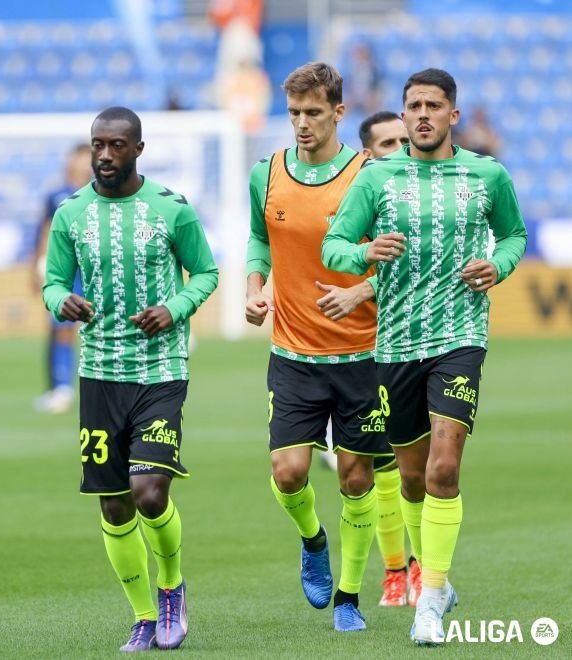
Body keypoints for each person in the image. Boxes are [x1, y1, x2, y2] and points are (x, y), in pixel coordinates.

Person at [322, 68, 527, 645]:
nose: (423, 115)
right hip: (395, 347)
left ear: (453, 115)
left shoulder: (486, 174)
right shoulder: (378, 178)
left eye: (434, 105)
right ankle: (430, 576)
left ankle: (429, 598)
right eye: (414, 105)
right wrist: (363, 249)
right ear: (404, 113)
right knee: (412, 479)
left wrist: (500, 265)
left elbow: (514, 235)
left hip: (460, 338)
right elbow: (333, 246)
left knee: (443, 466)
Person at [42, 106, 218, 652]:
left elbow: (207, 272)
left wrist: (176, 307)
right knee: (114, 503)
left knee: (148, 491)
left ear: (137, 149)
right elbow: (49, 282)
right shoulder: (71, 214)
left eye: (116, 145)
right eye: (98, 144)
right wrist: (60, 301)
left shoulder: (170, 210)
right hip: (98, 373)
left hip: (159, 370)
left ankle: (171, 590)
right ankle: (143, 616)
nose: (104, 155)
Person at [244, 62, 391, 632]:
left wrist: (360, 291)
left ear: (338, 112)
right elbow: (260, 237)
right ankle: (312, 539)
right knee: (287, 472)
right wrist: (255, 288)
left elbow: (401, 261)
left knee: (356, 479)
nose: (302, 124)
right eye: (294, 114)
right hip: (294, 354)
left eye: (312, 113)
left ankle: (349, 597)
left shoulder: (369, 177)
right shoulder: (267, 174)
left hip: (363, 355)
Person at [357, 110, 419, 608]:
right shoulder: (358, 204)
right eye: (387, 143)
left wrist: (362, 288)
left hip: (406, 346)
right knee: (377, 468)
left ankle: (414, 566)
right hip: (353, 352)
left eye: (404, 141)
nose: (399, 150)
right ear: (367, 155)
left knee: (409, 466)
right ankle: (395, 571)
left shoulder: (423, 203)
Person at [31, 143, 91, 414]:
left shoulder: (99, 193)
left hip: (94, 270)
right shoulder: (56, 195)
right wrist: (37, 266)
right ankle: (62, 389)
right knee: (62, 328)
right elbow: (45, 230)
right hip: (66, 271)